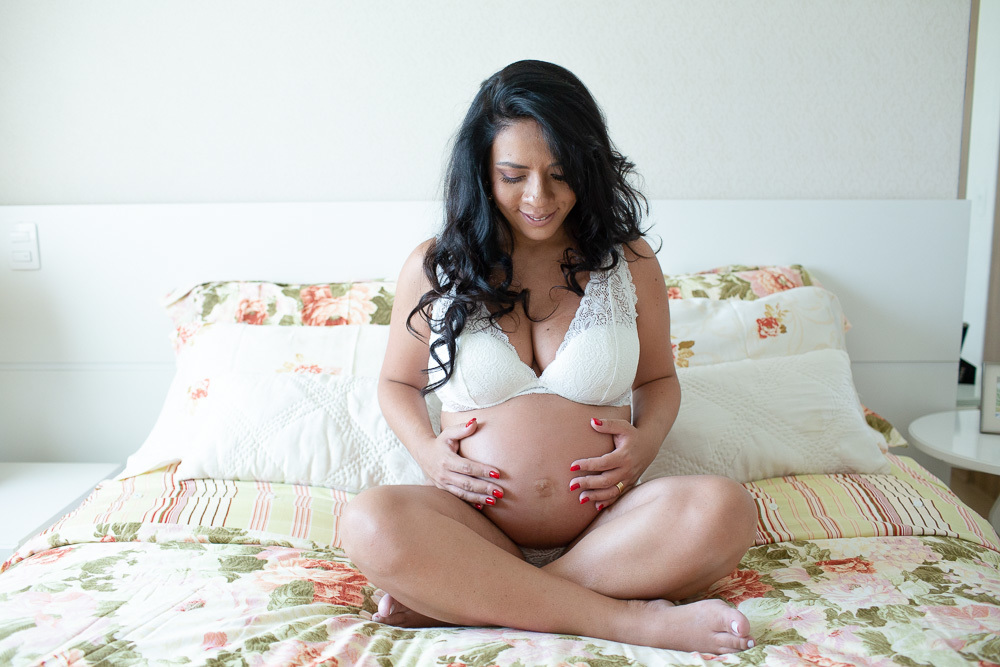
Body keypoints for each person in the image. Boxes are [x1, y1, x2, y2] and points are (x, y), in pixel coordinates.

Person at [341, 60, 758, 654]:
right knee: (367, 521)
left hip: (613, 537)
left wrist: (644, 445)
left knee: (726, 510)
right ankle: (630, 622)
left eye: (561, 175)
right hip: (472, 529)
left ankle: (474, 599)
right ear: (482, 171)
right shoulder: (436, 267)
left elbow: (660, 379)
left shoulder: (628, 262)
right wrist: (429, 455)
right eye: (514, 175)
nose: (539, 198)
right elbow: (395, 384)